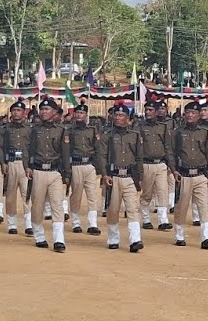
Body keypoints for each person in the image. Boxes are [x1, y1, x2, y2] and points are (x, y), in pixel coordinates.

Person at [168, 100, 208, 249]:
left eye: (193, 113)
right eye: (188, 113)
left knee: (203, 206)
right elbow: (171, 152)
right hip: (183, 175)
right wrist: (174, 169)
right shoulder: (177, 132)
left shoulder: (205, 132)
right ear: (184, 115)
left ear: (198, 115)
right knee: (181, 206)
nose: (190, 115)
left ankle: (206, 236)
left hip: (200, 174)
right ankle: (179, 235)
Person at [100, 100, 144, 252]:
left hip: (130, 177)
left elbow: (139, 157)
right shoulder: (107, 135)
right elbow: (102, 156)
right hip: (113, 176)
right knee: (113, 209)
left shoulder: (135, 135)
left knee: (132, 209)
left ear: (128, 118)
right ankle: (113, 238)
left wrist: (140, 178)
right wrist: (105, 175)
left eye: (121, 115)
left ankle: (135, 240)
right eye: (116, 115)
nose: (118, 117)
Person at [28, 96, 69, 252]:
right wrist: (28, 166)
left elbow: (65, 153)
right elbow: (30, 149)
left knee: (57, 205)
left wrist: (66, 174)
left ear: (54, 112)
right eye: (42, 109)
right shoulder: (35, 129)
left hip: (55, 172)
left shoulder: (61, 130)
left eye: (47, 109)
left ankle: (59, 239)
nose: (43, 112)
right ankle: (39, 235)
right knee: (37, 206)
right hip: (38, 171)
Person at [65, 102, 103, 236]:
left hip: (89, 165)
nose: (79, 115)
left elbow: (97, 149)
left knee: (92, 195)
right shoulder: (69, 130)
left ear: (86, 115)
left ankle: (93, 224)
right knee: (76, 194)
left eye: (82, 113)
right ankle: (75, 223)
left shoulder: (92, 130)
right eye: (77, 113)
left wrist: (98, 167)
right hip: (76, 165)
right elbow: (67, 150)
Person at [138, 99, 172, 231]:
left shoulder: (163, 127)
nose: (148, 112)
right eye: (146, 110)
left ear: (157, 112)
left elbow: (168, 147)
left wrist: (171, 165)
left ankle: (163, 220)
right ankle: (146, 218)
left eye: (151, 110)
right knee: (147, 193)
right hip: (146, 164)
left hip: (161, 164)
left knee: (163, 191)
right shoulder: (140, 127)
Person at [1, 98, 32, 236]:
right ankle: (12, 223)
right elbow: (0, 147)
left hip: (25, 164)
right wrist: (3, 162)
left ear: (24, 112)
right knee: (10, 195)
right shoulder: (6, 129)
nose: (16, 112)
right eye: (14, 110)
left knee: (27, 194)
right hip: (12, 162)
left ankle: (29, 224)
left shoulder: (30, 129)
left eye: (19, 110)